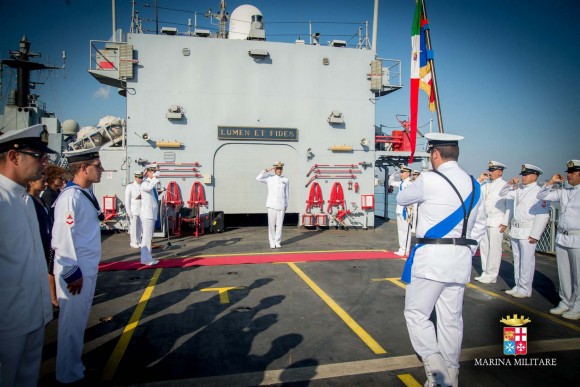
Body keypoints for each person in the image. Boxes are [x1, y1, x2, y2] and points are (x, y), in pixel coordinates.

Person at [397, 132, 486, 387]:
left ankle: (437, 374)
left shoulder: (428, 178)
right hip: (460, 260)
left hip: (431, 259)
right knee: (451, 321)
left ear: (435, 154)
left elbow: (403, 198)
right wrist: (466, 251)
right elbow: (479, 225)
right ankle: (452, 375)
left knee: (416, 314)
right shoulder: (474, 184)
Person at [0, 124, 56, 387]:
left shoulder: (25, 199)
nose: (44, 162)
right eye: (38, 155)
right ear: (14, 156)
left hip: (33, 316)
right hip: (8, 324)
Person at [51, 147, 104, 384]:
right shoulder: (70, 198)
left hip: (86, 269)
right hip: (77, 272)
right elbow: (62, 238)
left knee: (78, 321)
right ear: (82, 168)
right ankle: (68, 374)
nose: (101, 169)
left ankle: (74, 367)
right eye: (97, 165)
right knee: (71, 325)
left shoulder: (83, 193)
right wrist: (73, 273)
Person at [537, 160, 580, 320]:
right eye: (568, 172)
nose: (569, 175)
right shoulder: (564, 191)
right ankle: (565, 302)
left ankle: (577, 307)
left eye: (572, 173)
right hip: (562, 237)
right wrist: (551, 182)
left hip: (578, 238)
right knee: (564, 274)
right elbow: (541, 195)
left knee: (578, 276)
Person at [499, 164, 550, 299]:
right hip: (516, 230)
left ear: (535, 176)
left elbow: (543, 215)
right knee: (517, 259)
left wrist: (535, 234)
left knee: (526, 261)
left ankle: (525, 288)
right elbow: (502, 193)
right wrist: (509, 183)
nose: (523, 177)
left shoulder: (539, 192)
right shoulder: (519, 190)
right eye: (523, 174)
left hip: (528, 231)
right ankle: (518, 285)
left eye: (526, 174)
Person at [474, 161, 510, 284]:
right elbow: (474, 190)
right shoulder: (485, 185)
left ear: (500, 172)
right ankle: (485, 272)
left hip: (497, 220)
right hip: (485, 219)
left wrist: (505, 222)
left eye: (493, 170)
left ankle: (492, 274)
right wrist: (480, 179)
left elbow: (509, 206)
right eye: (489, 170)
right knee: (484, 248)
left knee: (495, 249)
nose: (490, 173)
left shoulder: (505, 186)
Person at [28, 174, 59, 311]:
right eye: (41, 180)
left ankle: (52, 297)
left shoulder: (39, 199)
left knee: (50, 268)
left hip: (47, 239)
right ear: (31, 182)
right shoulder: (28, 200)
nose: (45, 183)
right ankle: (51, 299)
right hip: (37, 241)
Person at [256, 161, 289, 248]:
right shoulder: (269, 178)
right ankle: (272, 241)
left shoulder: (285, 180)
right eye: (277, 168)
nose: (279, 170)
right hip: (271, 205)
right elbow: (258, 178)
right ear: (275, 169)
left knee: (279, 225)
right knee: (271, 225)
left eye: (280, 169)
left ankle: (277, 241)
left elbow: (286, 193)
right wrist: (267, 170)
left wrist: (286, 205)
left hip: (281, 205)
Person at [389, 164, 413, 256]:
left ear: (407, 173)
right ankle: (401, 248)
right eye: (401, 172)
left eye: (402, 172)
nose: (401, 174)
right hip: (399, 210)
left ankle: (406, 250)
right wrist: (392, 175)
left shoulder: (410, 183)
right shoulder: (402, 183)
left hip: (405, 210)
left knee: (406, 230)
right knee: (400, 230)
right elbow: (391, 182)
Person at [140, 163, 161, 265]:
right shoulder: (145, 183)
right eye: (153, 171)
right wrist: (155, 178)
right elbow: (147, 188)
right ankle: (145, 259)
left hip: (151, 213)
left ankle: (148, 257)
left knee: (149, 237)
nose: (155, 173)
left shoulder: (152, 184)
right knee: (146, 238)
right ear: (148, 172)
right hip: (147, 213)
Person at [125, 171, 144, 248]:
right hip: (134, 209)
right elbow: (127, 200)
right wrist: (128, 211)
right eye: (139, 178)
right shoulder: (130, 186)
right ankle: (133, 242)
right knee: (133, 226)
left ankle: (139, 240)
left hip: (141, 209)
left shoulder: (142, 186)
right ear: (135, 177)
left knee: (140, 226)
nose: (140, 179)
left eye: (141, 178)